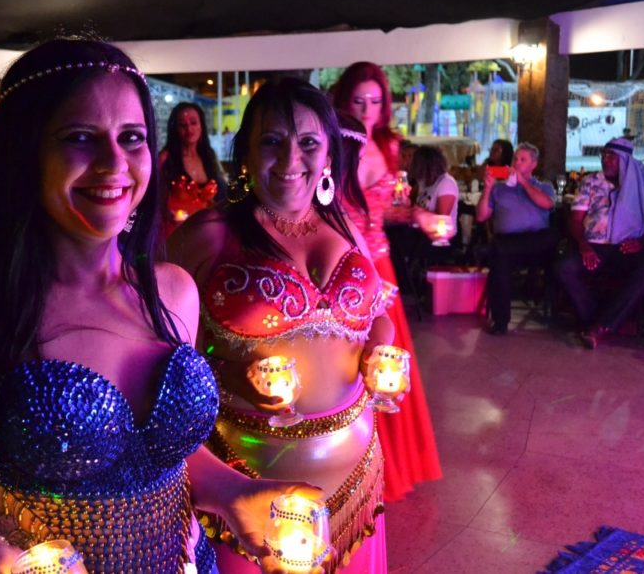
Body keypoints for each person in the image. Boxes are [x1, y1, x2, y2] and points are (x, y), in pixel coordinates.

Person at [0, 40, 315, 574]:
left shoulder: (175, 293)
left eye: (131, 137)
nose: (114, 163)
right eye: (79, 138)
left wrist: (234, 491)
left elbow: (156, 456)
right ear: (25, 154)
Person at [170, 77, 394, 572]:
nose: (292, 160)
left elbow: (378, 315)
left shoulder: (346, 227)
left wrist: (380, 352)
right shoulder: (208, 235)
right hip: (249, 478)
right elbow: (160, 356)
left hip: (355, 471)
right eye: (272, 141)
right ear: (246, 155)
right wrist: (233, 373)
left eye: (308, 142)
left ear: (329, 154)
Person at [330, 62, 442, 504]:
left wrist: (417, 214)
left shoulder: (389, 144)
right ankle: (347, 467)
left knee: (387, 365)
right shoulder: (333, 142)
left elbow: (384, 209)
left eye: (375, 101)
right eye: (358, 101)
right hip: (342, 264)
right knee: (346, 367)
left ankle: (390, 467)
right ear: (344, 100)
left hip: (380, 264)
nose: (367, 109)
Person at [555, 137, 644, 349]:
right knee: (564, 268)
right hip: (594, 245)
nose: (605, 160)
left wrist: (641, 241)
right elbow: (576, 221)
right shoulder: (591, 182)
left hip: (626, 247)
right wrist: (584, 246)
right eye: (604, 155)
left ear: (624, 160)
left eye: (611, 157)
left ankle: (600, 327)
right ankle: (599, 322)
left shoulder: (641, 184)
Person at [476, 142, 558, 335]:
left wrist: (523, 182)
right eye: (516, 159)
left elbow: (547, 204)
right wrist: (488, 188)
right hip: (508, 245)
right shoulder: (499, 189)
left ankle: (496, 249)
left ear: (533, 165)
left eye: (523, 160)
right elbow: (481, 216)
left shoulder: (544, 187)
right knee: (500, 257)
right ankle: (500, 322)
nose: (517, 163)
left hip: (536, 244)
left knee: (549, 236)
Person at [159, 102, 226, 237]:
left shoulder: (209, 156)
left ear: (201, 126)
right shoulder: (166, 158)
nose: (189, 129)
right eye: (182, 125)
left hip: (207, 232)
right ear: (175, 129)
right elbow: (154, 198)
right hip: (176, 234)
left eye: (193, 123)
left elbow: (221, 195)